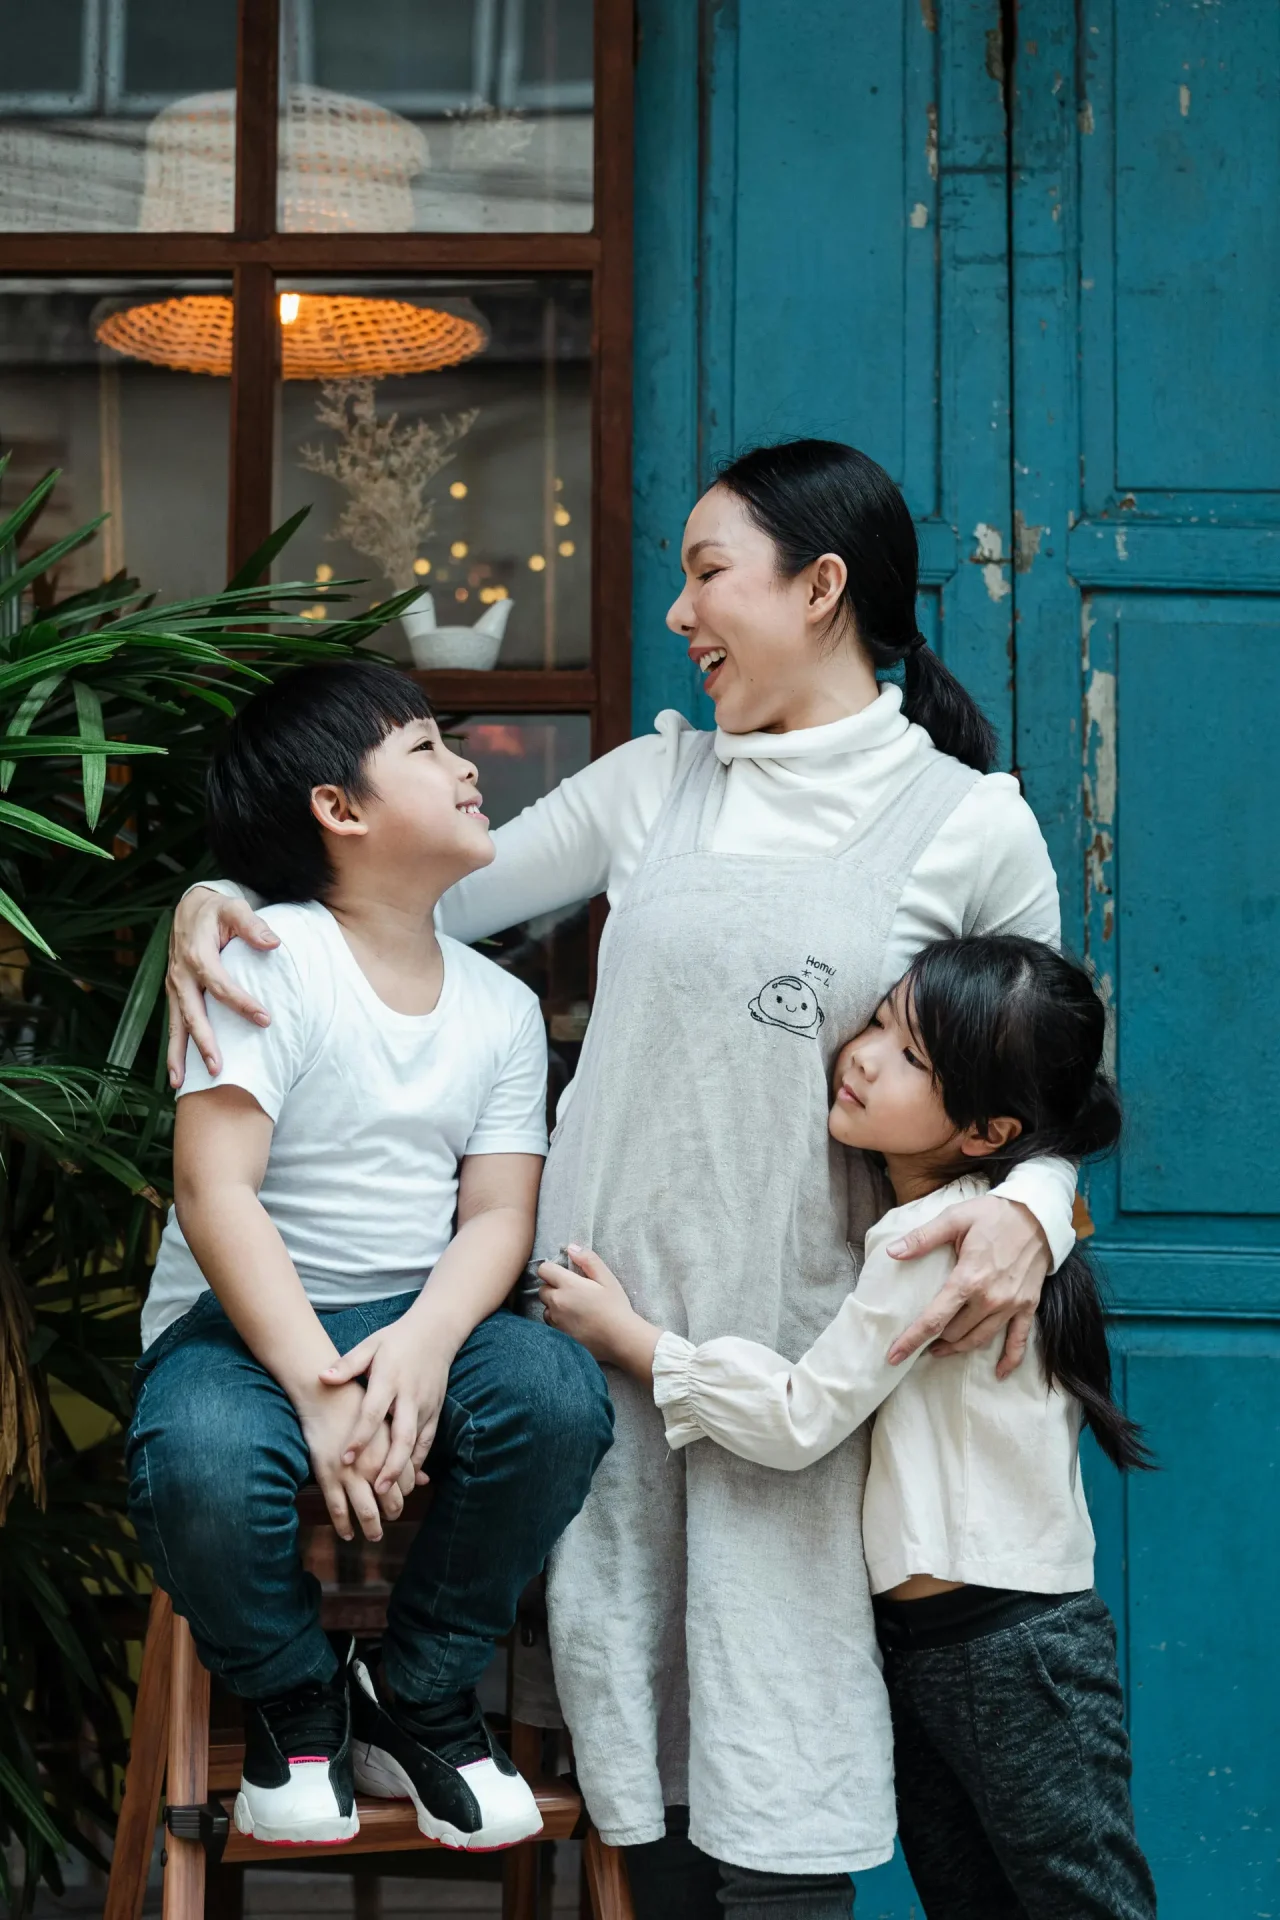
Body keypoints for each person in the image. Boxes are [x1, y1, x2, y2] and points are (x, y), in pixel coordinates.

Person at [167, 441, 1078, 1917]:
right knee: (622, 1765)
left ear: (823, 587)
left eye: (709, 572)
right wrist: (216, 904)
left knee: (782, 1763)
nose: (679, 613)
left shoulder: (968, 823)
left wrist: (1031, 1217)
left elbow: (1051, 1091)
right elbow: (395, 894)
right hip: (596, 1331)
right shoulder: (658, 780)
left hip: (790, 1360)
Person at [539, 934, 1157, 1920]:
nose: (862, 1054)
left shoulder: (941, 1237)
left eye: (911, 1056)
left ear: (986, 1128)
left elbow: (799, 1419)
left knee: (1078, 1904)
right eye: (876, 1021)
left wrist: (634, 1341)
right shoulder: (956, 1214)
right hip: (933, 1641)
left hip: (1009, 1639)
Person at [127, 661, 613, 1852]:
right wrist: (313, 1384)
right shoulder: (266, 955)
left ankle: (419, 1686)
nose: (466, 767)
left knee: (554, 1396)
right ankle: (300, 1702)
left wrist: (427, 1346)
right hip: (247, 1331)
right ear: (339, 811)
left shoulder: (498, 1007)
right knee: (194, 1458)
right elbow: (214, 1188)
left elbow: (498, 1215)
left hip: (414, 1313)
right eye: (427, 748)